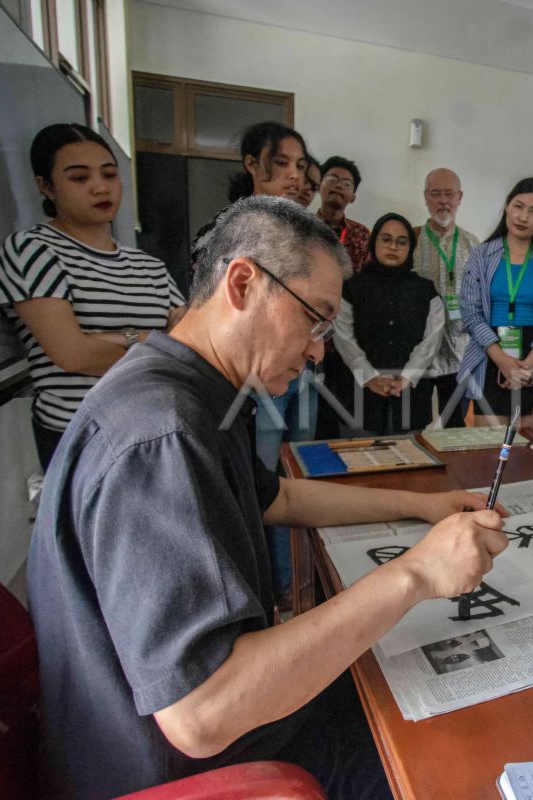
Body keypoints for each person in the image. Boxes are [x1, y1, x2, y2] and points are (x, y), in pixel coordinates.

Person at [26, 196, 509, 799]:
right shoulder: (163, 432)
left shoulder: (184, 384)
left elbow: (275, 498)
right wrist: (417, 573)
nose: (317, 351)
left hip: (157, 734)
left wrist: (420, 507)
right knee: (450, 744)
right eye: (315, 318)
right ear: (243, 282)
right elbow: (202, 715)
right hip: (182, 770)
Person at [0, 123, 185, 470]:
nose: (100, 187)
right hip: (81, 436)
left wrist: (112, 340)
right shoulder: (32, 250)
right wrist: (150, 341)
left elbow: (189, 340)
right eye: (79, 178)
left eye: (109, 175)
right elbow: (73, 355)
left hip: (155, 429)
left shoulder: (148, 265)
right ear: (46, 186)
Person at [193, 121, 316, 608]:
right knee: (263, 487)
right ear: (251, 165)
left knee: (300, 475)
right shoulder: (223, 232)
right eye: (281, 163)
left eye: (300, 166)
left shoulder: (303, 234)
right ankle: (275, 586)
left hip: (300, 373)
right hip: (251, 379)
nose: (293, 175)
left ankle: (304, 579)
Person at [458, 177, 533, 422]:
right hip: (491, 352)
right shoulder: (481, 255)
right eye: (518, 206)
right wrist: (503, 361)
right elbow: (470, 312)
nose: (522, 217)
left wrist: (529, 363)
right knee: (491, 450)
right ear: (507, 207)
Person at [334, 213, 442, 433]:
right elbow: (343, 336)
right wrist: (370, 377)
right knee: (361, 460)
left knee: (412, 461)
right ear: (374, 242)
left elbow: (432, 338)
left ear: (410, 247)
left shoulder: (425, 290)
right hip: (359, 394)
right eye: (386, 239)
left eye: (402, 242)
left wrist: (406, 377)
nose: (393, 246)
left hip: (411, 393)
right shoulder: (353, 288)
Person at [412, 167, 480, 427]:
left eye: (449, 194)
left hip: (459, 353)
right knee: (415, 424)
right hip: (420, 354)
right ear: (425, 197)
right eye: (435, 193)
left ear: (459, 197)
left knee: (456, 426)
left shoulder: (473, 244)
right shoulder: (412, 240)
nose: (443, 201)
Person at [315, 156, 371, 272]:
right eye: (332, 180)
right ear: (319, 186)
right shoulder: (303, 225)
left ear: (353, 198)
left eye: (346, 184)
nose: (339, 186)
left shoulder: (362, 233)